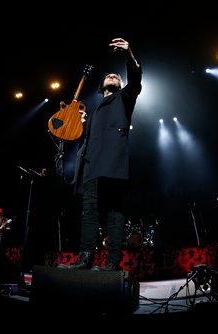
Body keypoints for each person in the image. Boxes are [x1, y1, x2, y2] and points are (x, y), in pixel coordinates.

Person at [62, 37, 142, 271]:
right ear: (101, 85)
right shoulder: (94, 109)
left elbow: (135, 80)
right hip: (90, 165)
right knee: (89, 211)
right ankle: (85, 258)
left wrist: (129, 55)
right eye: (109, 76)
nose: (113, 77)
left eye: (116, 77)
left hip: (112, 164)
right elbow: (81, 138)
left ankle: (112, 262)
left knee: (114, 212)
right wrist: (78, 125)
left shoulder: (125, 98)